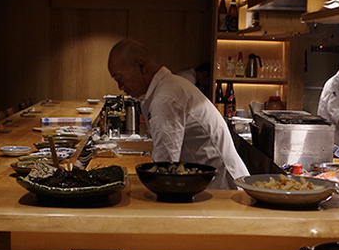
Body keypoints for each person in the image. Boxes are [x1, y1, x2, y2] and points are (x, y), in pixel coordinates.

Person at [107, 39, 249, 189]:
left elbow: (164, 167)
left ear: (141, 65)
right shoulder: (169, 86)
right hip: (213, 183)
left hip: (222, 190)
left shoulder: (165, 98)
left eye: (119, 78)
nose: (120, 86)